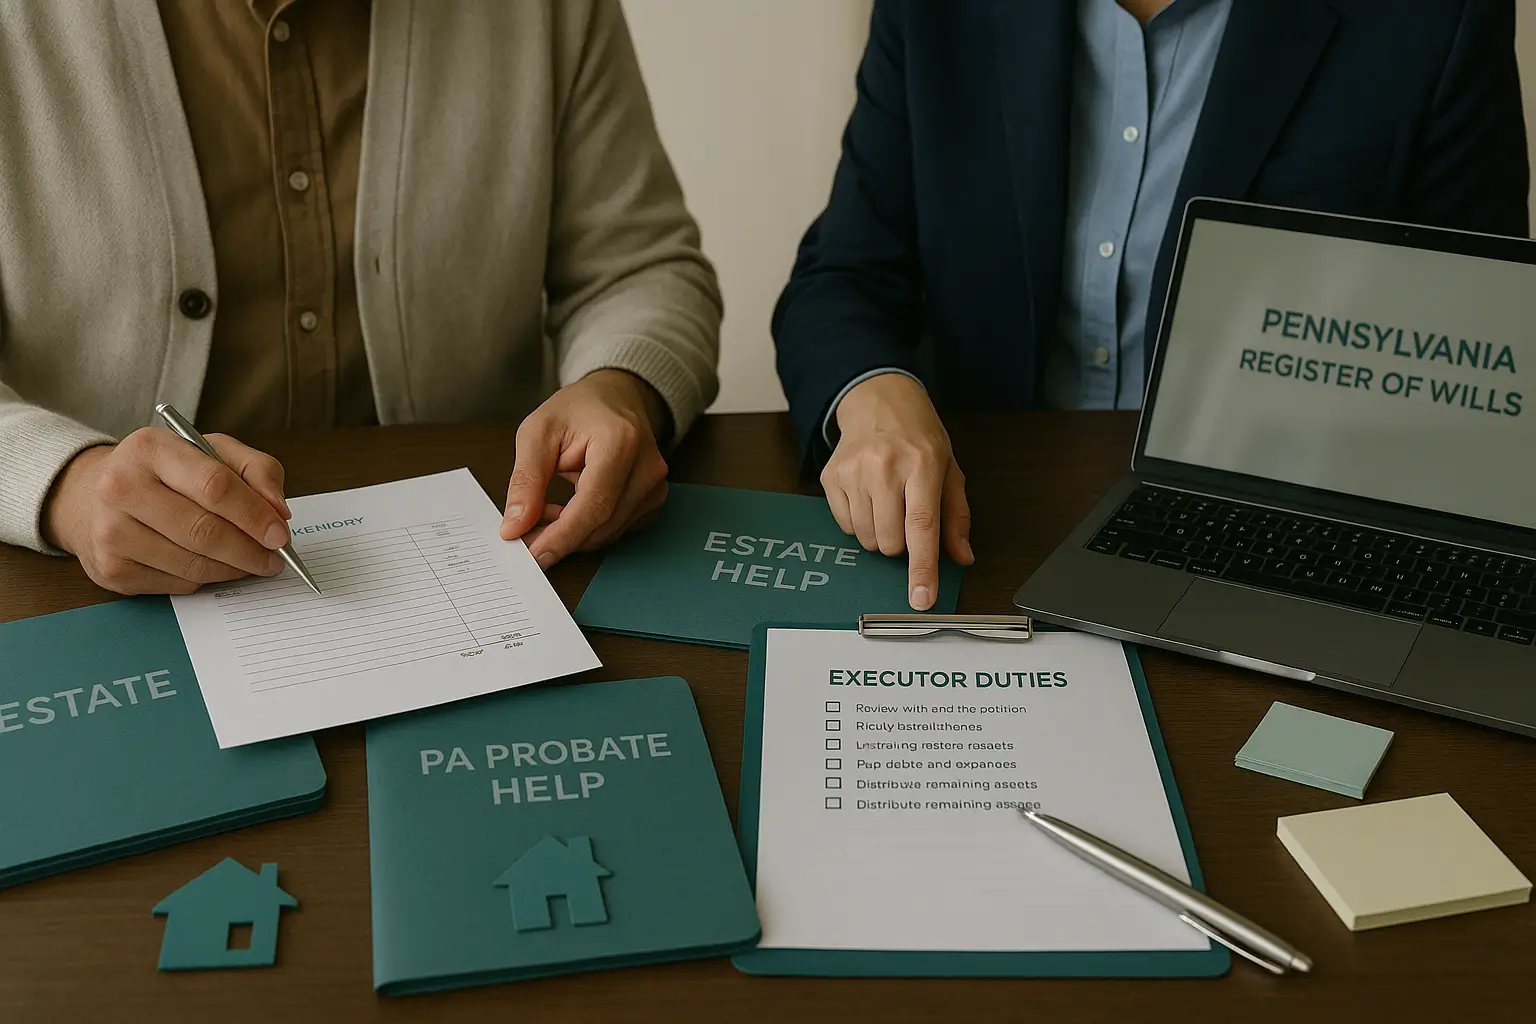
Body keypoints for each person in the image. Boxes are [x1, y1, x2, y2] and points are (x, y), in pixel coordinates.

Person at [773, 0, 1530, 611]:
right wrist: (876, 395)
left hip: (1274, 559)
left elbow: (1471, 379)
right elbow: (842, 275)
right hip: (980, 529)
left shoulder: (1439, 18)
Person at [0, 0, 720, 595]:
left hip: (492, 559)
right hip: (96, 595)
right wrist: (67, 485)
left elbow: (641, 266)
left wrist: (621, 389)